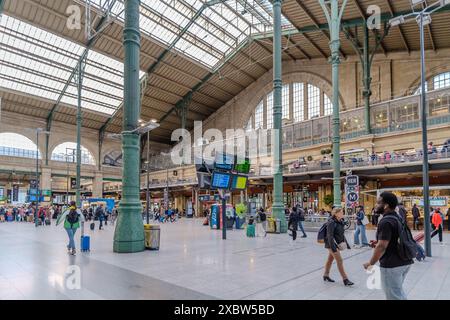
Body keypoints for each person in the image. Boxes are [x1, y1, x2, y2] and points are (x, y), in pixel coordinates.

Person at [363, 191, 413, 300]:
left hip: (392, 264)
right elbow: (393, 238)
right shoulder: (398, 217)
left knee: (394, 296)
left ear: (385, 205)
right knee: (397, 292)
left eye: (378, 203)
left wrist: (370, 263)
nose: (376, 205)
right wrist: (378, 243)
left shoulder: (386, 221)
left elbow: (382, 247)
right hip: (404, 261)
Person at [323, 207, 353, 286]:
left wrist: (346, 244)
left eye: (342, 212)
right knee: (339, 260)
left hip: (336, 243)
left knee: (330, 260)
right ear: (336, 214)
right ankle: (345, 279)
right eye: (341, 212)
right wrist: (333, 248)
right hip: (331, 244)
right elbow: (329, 236)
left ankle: (326, 275)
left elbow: (342, 234)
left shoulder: (341, 221)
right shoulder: (331, 222)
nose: (343, 213)